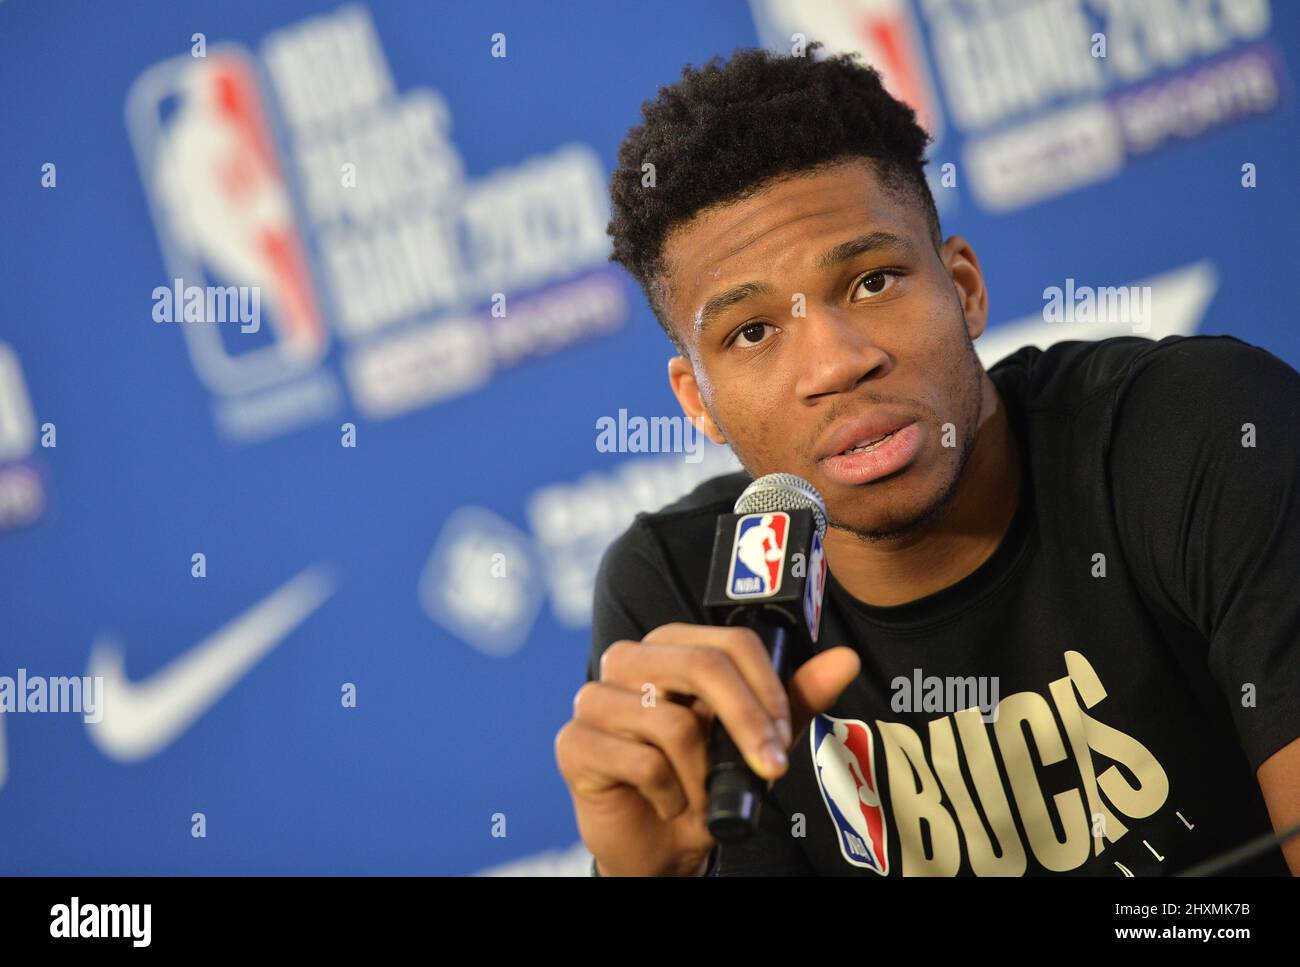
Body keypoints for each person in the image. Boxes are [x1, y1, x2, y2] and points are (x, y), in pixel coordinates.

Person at [553, 44, 1300, 876]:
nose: (836, 363)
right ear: (699, 402)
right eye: (753, 332)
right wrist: (649, 874)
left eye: (873, 282)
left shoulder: (1198, 433)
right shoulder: (682, 595)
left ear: (965, 289)